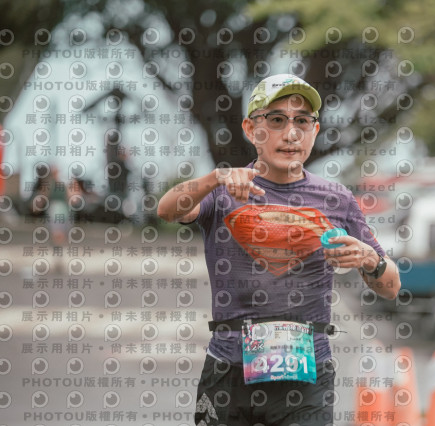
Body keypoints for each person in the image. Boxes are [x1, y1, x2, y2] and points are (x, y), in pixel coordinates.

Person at [157, 74, 401, 426]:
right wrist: (215, 178)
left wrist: (369, 260)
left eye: (302, 121)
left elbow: (391, 287)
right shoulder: (224, 192)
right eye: (276, 120)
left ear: (315, 131)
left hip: (307, 379)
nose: (291, 134)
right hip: (228, 370)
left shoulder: (337, 199)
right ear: (251, 129)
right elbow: (167, 210)